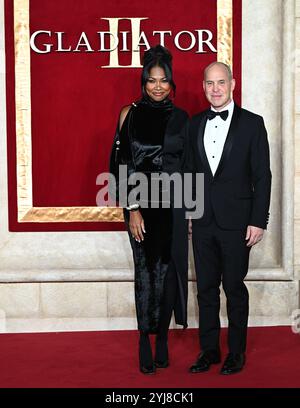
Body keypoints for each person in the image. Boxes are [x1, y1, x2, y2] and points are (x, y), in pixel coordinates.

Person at [185, 62, 271, 375]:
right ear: (203, 86)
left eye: (221, 82)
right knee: (205, 288)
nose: (216, 89)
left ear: (233, 84)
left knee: (233, 288)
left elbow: (262, 176)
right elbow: (188, 173)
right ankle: (209, 351)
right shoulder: (194, 125)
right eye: (210, 83)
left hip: (238, 221)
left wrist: (258, 220)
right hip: (203, 221)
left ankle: (236, 352)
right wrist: (190, 214)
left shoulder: (252, 124)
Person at [109, 45, 189, 374]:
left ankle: (164, 339)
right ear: (143, 81)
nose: (157, 86)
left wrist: (189, 210)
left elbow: (188, 166)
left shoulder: (182, 118)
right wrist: (133, 209)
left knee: (168, 275)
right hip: (140, 205)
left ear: (172, 83)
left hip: (172, 206)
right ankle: (144, 337)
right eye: (151, 80)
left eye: (164, 80)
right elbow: (121, 163)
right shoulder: (129, 114)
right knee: (145, 274)